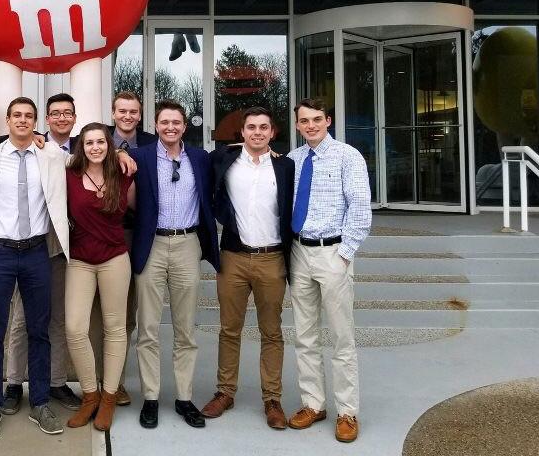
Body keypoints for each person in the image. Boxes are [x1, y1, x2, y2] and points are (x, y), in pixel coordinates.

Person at [0, 97, 70, 438]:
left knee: (39, 330)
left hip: (38, 253)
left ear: (36, 123)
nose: (23, 121)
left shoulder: (52, 157)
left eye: (29, 116)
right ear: (7, 121)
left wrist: (123, 154)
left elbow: (91, 158)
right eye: (17, 116)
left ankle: (40, 402)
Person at [201, 107, 294, 429]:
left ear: (272, 132)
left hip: (272, 258)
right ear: (241, 133)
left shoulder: (286, 166)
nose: (257, 132)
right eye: (251, 127)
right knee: (229, 329)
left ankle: (272, 399)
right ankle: (225, 392)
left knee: (272, 332)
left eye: (263, 127)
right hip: (234, 258)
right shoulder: (224, 160)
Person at [129, 100, 220, 430]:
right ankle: (151, 397)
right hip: (151, 244)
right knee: (148, 329)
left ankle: (184, 398)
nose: (171, 127)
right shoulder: (138, 157)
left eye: (176, 122)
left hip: (187, 244)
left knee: (186, 328)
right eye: (165, 122)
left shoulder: (199, 157)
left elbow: (229, 162)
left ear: (185, 126)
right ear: (156, 125)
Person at [286, 98, 371, 443]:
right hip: (298, 252)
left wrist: (345, 254)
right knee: (304, 335)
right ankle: (313, 404)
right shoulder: (293, 159)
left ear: (328, 120)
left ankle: (347, 411)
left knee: (341, 337)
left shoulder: (347, 157)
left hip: (332, 252)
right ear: (297, 125)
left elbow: (361, 207)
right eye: (304, 121)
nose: (310, 125)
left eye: (316, 119)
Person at [3, 92, 81, 413]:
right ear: (45, 120)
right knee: (22, 318)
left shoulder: (81, 150)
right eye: (55, 114)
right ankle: (12, 383)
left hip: (61, 249)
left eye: (68, 113)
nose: (62, 118)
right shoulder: (31, 144)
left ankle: (56, 381)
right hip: (30, 245)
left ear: (74, 118)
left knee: (58, 318)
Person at [63, 122, 136, 432]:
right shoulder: (68, 174)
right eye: (89, 142)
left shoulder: (124, 172)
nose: (95, 147)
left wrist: (121, 152)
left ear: (109, 145)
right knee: (75, 327)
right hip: (80, 259)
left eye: (101, 142)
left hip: (116, 258)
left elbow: (135, 208)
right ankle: (89, 394)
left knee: (115, 328)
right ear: (81, 146)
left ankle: (108, 397)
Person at [107, 90, 156, 406]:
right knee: (102, 316)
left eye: (133, 112)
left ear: (140, 115)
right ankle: (101, 379)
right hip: (100, 236)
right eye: (122, 111)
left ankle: (116, 382)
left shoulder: (152, 143)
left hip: (138, 235)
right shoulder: (95, 138)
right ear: (113, 113)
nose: (127, 116)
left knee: (127, 315)